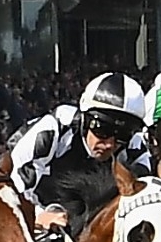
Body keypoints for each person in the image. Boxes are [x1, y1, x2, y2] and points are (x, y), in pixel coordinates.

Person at [8, 72, 147, 231]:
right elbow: (14, 185)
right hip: (37, 213)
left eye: (122, 134)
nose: (109, 144)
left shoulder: (134, 144)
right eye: (102, 130)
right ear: (85, 120)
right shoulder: (53, 129)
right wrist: (38, 215)